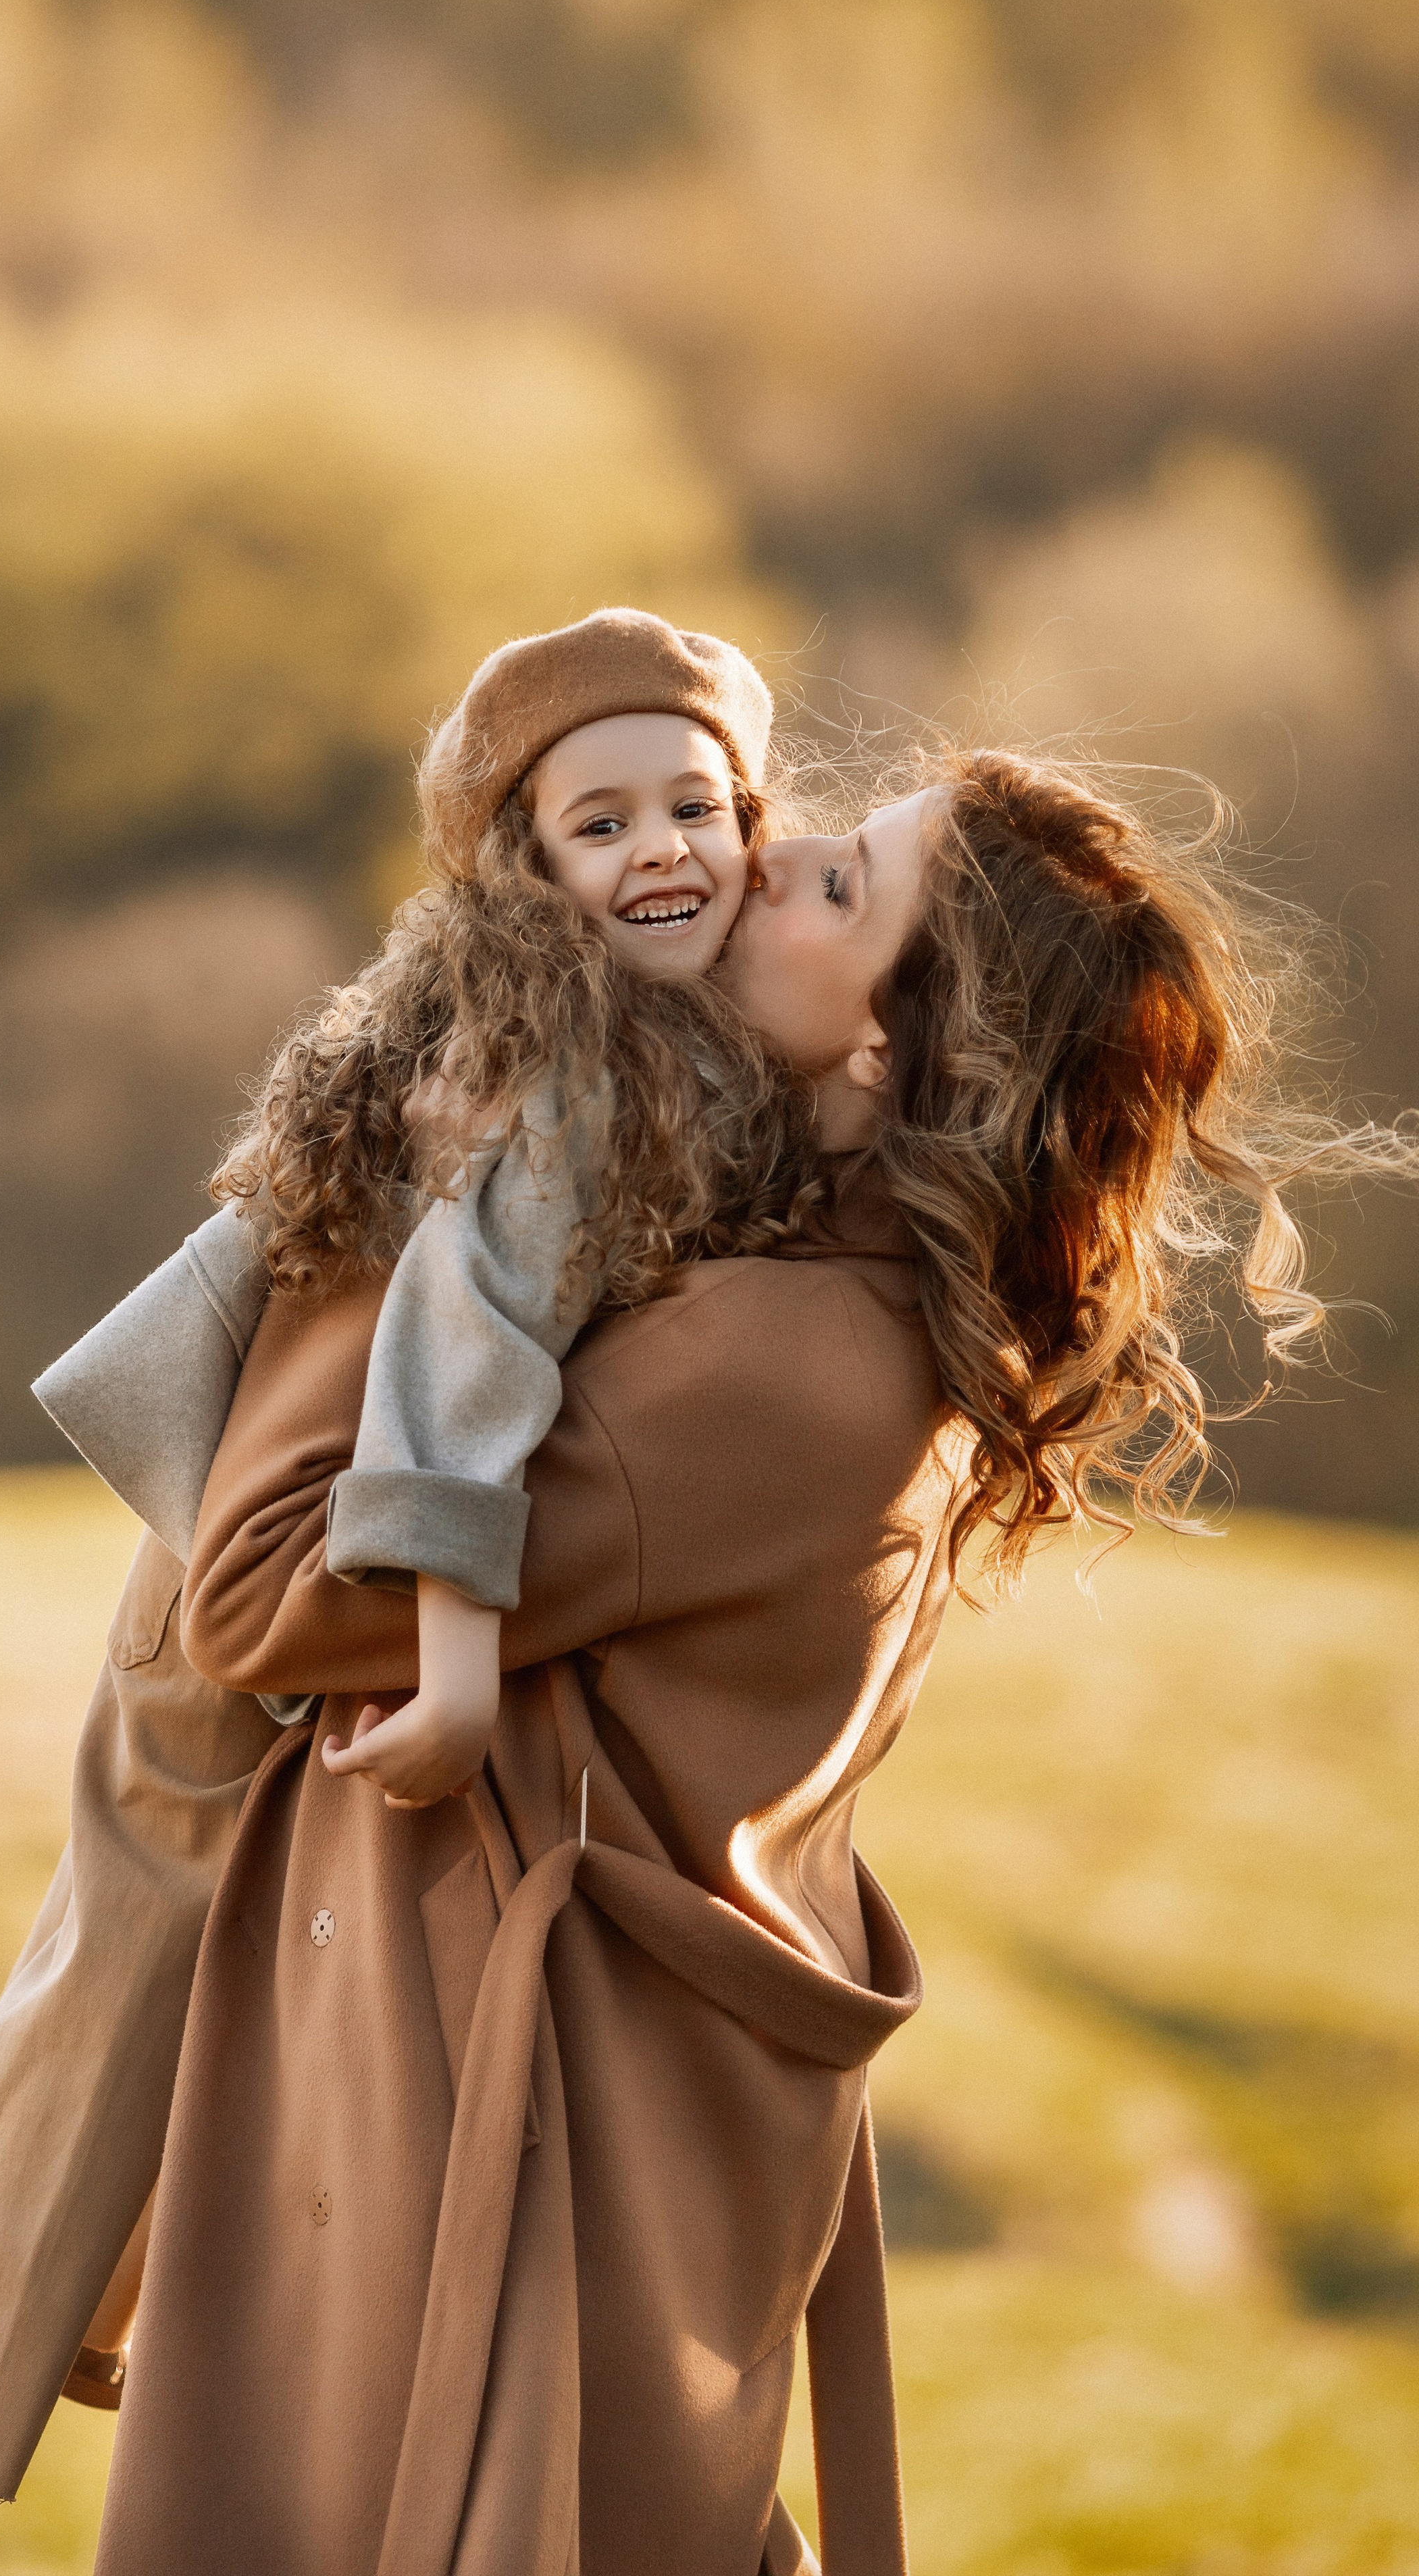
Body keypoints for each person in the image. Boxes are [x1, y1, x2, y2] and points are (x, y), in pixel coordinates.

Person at [88, 756, 1416, 2575]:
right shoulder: (815, 1292)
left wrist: (403, 1198)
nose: (770, 856)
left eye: (843, 887)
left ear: (890, 1056)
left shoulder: (776, 1364)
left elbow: (259, 1594)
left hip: (508, 2180)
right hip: (545, 2151)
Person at [0, 609, 831, 2574]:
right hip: (249, 1564)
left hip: (250, 1530)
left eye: (698, 806)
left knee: (148, 1987)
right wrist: (459, 1653)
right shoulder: (565, 1057)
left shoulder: (588, 1025)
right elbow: (458, 1357)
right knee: (126, 1973)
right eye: (600, 824)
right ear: (527, 866)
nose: (662, 851)